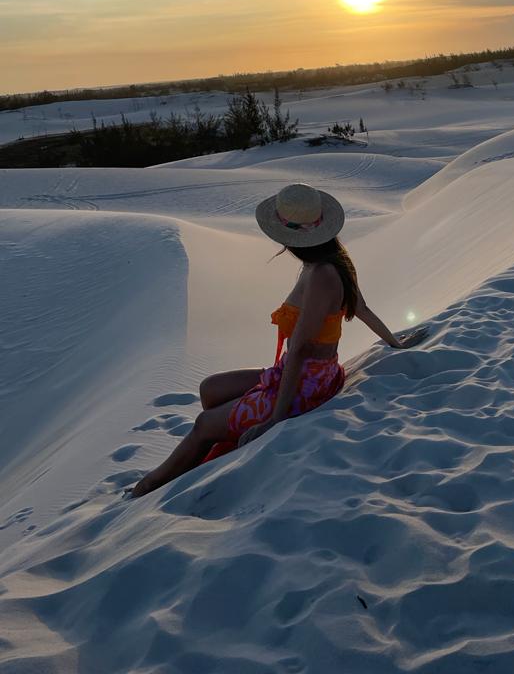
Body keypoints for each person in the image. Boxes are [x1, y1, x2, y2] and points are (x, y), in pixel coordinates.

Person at [130, 183, 427, 498]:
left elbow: (299, 348)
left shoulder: (322, 275)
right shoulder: (330, 263)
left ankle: (148, 487)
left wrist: (275, 419)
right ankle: (216, 447)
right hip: (302, 374)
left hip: (303, 385)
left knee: (204, 424)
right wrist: (395, 342)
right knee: (210, 389)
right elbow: (362, 309)